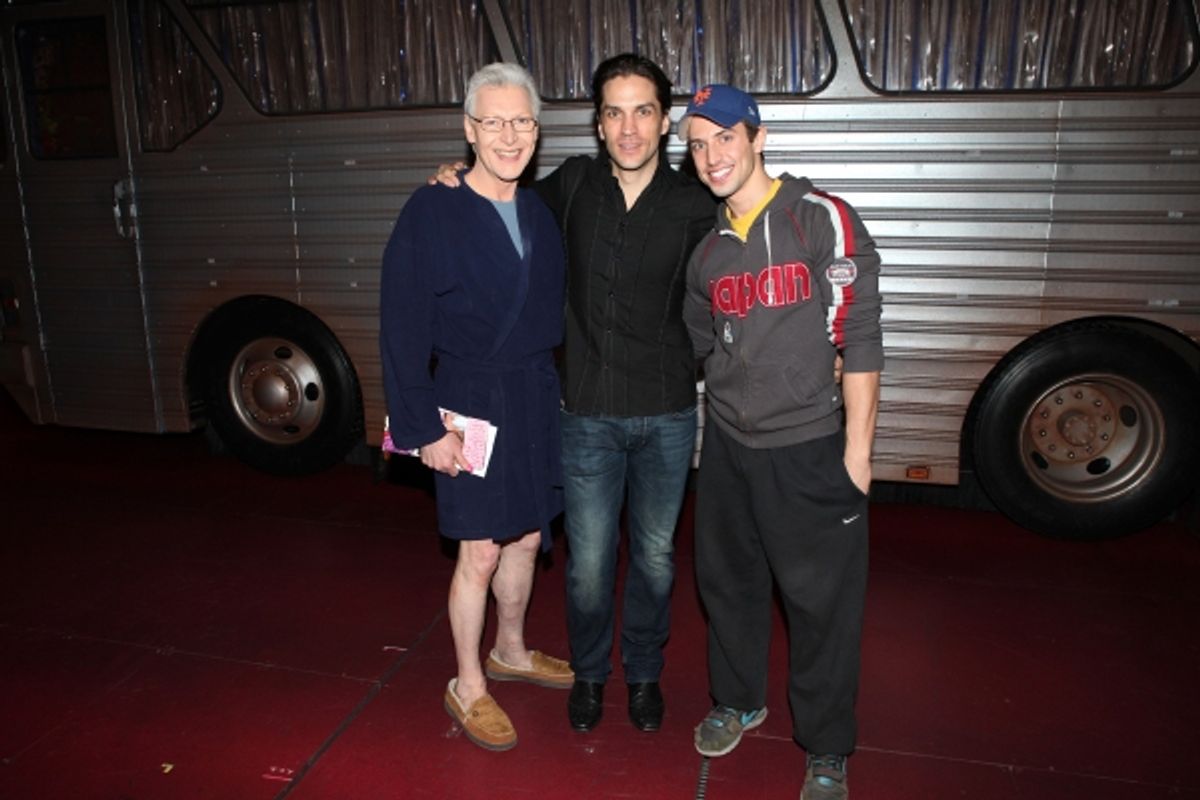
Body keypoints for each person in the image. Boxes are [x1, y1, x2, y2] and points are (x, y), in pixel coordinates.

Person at [433, 53, 715, 734]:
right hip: (585, 412)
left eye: (642, 111)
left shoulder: (695, 204)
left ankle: (642, 674)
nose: (628, 127)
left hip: (668, 413)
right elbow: (494, 197)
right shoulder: (570, 187)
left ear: (665, 121)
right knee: (587, 563)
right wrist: (449, 179)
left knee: (652, 560)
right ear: (596, 123)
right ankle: (591, 675)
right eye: (614, 112)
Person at [679, 84, 883, 800]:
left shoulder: (819, 219)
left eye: (724, 138)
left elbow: (859, 339)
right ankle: (739, 699)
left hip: (809, 447)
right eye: (698, 145)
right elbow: (701, 344)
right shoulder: (708, 252)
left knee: (820, 603)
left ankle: (826, 747)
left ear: (757, 137)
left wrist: (856, 457)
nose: (711, 156)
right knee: (728, 585)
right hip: (731, 449)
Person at [379, 62, 573, 753]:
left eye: (521, 120)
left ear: (536, 129)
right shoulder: (432, 207)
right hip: (469, 399)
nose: (508, 135)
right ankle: (468, 682)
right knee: (481, 551)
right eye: (492, 121)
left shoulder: (540, 212)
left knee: (525, 536)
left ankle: (512, 650)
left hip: (531, 395)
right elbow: (400, 323)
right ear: (469, 130)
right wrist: (422, 429)